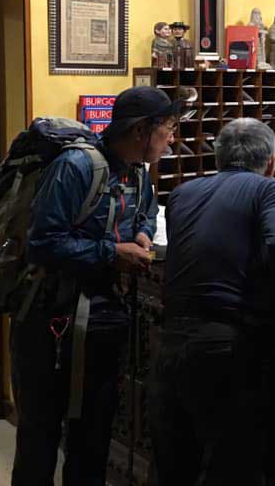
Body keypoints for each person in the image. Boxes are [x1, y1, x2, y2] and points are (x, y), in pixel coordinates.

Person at [10, 86, 179, 485]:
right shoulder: (76, 167)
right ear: (140, 130)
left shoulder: (138, 172)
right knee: (39, 438)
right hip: (50, 322)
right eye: (167, 129)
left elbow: (147, 212)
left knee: (92, 440)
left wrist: (142, 233)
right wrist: (111, 253)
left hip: (103, 324)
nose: (172, 139)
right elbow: (42, 243)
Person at [148, 118, 275, 486]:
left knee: (172, 465)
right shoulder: (267, 189)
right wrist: (271, 269)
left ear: (217, 158)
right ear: (271, 162)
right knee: (230, 464)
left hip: (169, 341)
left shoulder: (183, 192)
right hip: (224, 346)